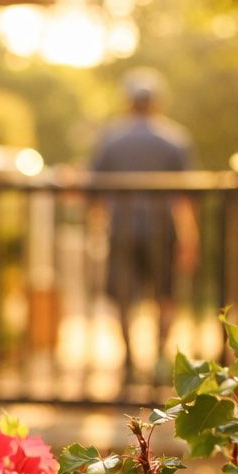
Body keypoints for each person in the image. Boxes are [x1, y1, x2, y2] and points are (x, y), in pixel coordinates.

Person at [90, 67, 200, 381]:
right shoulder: (175, 139)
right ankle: (160, 360)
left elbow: (94, 192)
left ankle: (127, 361)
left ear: (127, 101)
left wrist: (97, 232)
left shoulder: (110, 139)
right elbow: (186, 198)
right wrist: (190, 241)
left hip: (121, 230)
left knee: (122, 296)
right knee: (165, 296)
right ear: (157, 102)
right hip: (162, 230)